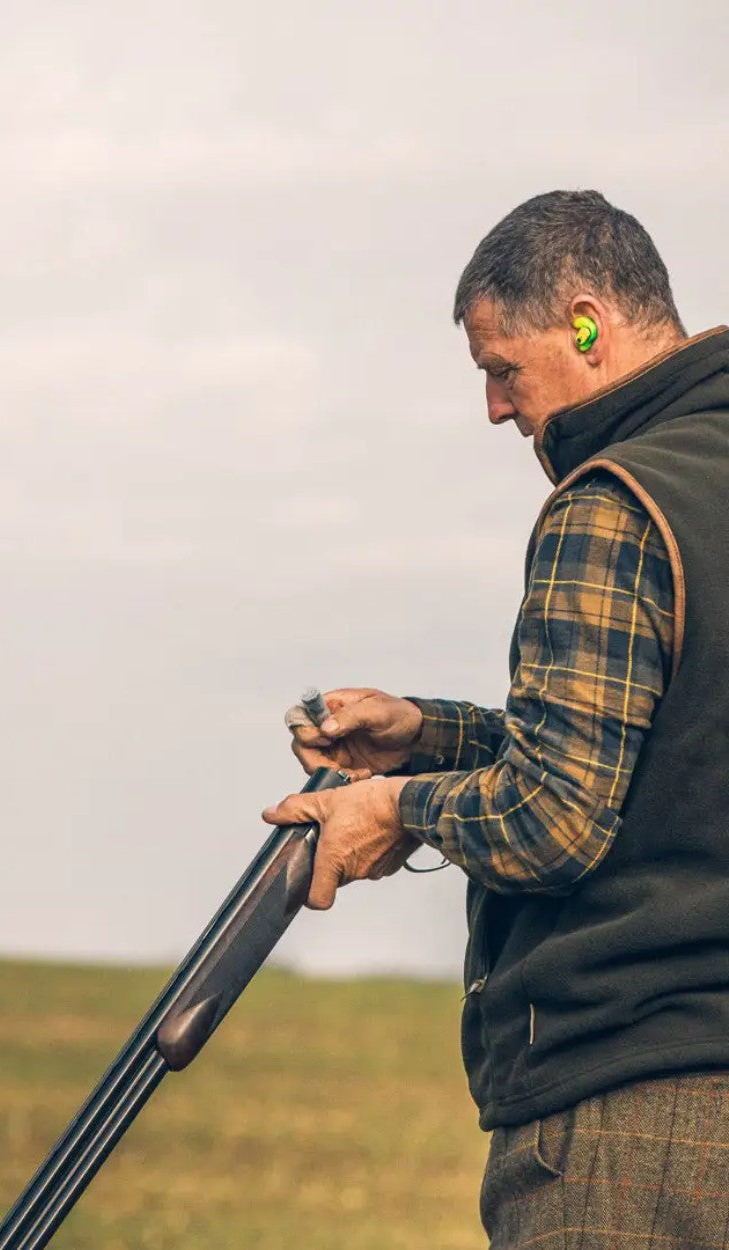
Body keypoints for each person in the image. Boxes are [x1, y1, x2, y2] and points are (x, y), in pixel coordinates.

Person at [262, 189, 729, 1247]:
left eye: (498, 368)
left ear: (584, 324)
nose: (494, 408)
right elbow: (666, 750)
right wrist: (425, 733)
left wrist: (395, 809)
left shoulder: (610, 502)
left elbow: (557, 812)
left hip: (631, 1119)